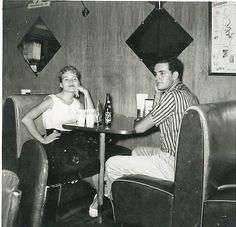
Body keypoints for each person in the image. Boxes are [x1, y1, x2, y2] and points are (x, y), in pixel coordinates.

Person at [105, 57, 199, 198]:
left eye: (162, 73)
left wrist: (138, 121)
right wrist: (158, 93)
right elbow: (158, 117)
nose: (157, 78)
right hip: (186, 160)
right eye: (156, 74)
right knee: (137, 151)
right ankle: (139, 197)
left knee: (111, 163)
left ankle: (110, 199)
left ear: (174, 75)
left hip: (172, 164)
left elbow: (140, 128)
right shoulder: (188, 94)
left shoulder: (172, 96)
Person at [22, 65, 99, 217]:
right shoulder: (52, 100)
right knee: (86, 160)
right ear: (60, 84)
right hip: (56, 141)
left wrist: (86, 93)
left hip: (75, 140)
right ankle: (101, 193)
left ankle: (99, 196)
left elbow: (93, 120)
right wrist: (42, 140)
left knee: (97, 156)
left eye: (74, 79)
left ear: (79, 82)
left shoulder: (78, 104)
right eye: (66, 79)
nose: (71, 82)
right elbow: (26, 118)